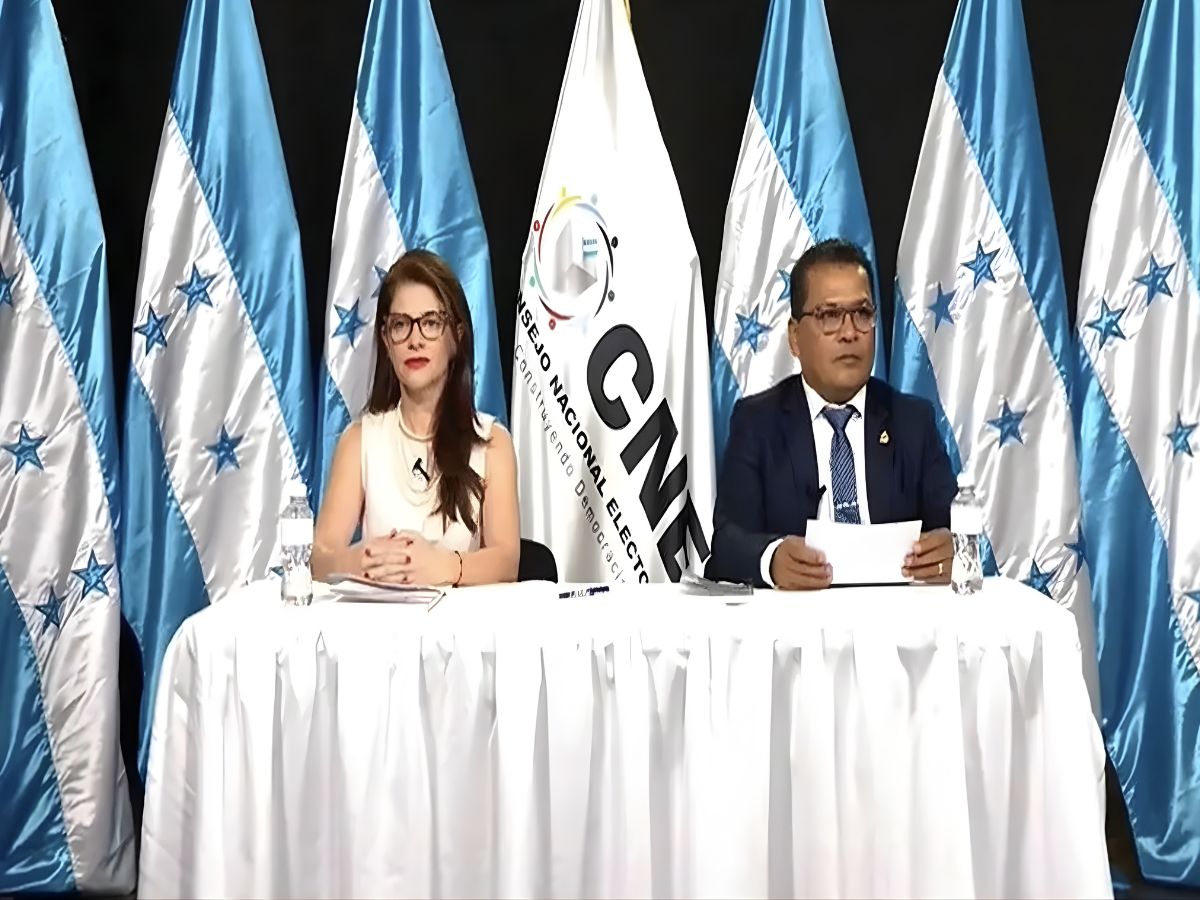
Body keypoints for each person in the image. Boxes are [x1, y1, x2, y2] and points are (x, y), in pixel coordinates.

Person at [707, 239, 956, 589]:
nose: (850, 332)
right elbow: (727, 545)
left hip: (897, 624)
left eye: (862, 314)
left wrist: (951, 548)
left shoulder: (912, 422)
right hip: (795, 629)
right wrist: (773, 558)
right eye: (829, 316)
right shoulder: (758, 423)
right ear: (795, 337)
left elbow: (953, 528)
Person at [313, 249, 520, 586]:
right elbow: (320, 557)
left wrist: (443, 567)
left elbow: (506, 562)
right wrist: (356, 561)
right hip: (381, 630)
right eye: (400, 325)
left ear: (456, 336)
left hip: (462, 634)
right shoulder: (360, 440)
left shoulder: (492, 442)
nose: (414, 340)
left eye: (430, 323)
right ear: (386, 340)